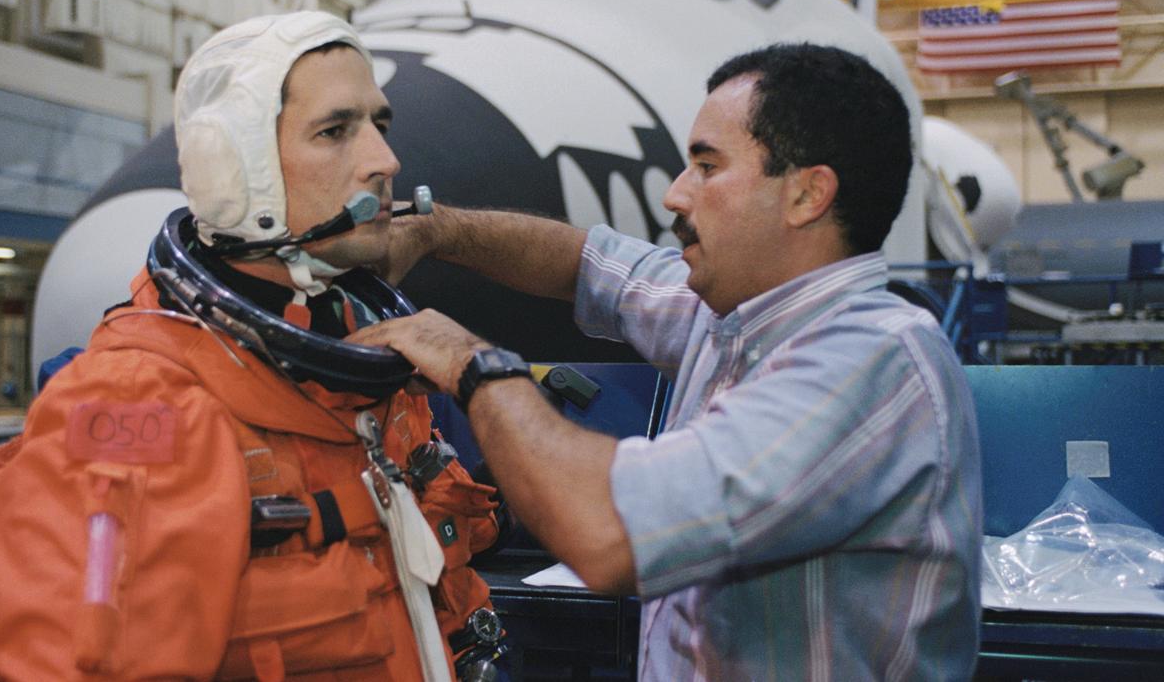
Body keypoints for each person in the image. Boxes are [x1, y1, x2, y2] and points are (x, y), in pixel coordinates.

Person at [355, 43, 984, 679]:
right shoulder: (732, 314)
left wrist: (475, 366)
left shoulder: (871, 361)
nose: (675, 195)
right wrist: (435, 231)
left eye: (707, 167)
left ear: (807, 194)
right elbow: (584, 264)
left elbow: (609, 534)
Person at [0, 12, 500, 681]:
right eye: (336, 131)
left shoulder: (366, 361)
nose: (385, 160)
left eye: (380, 125)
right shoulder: (137, 401)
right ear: (236, 167)